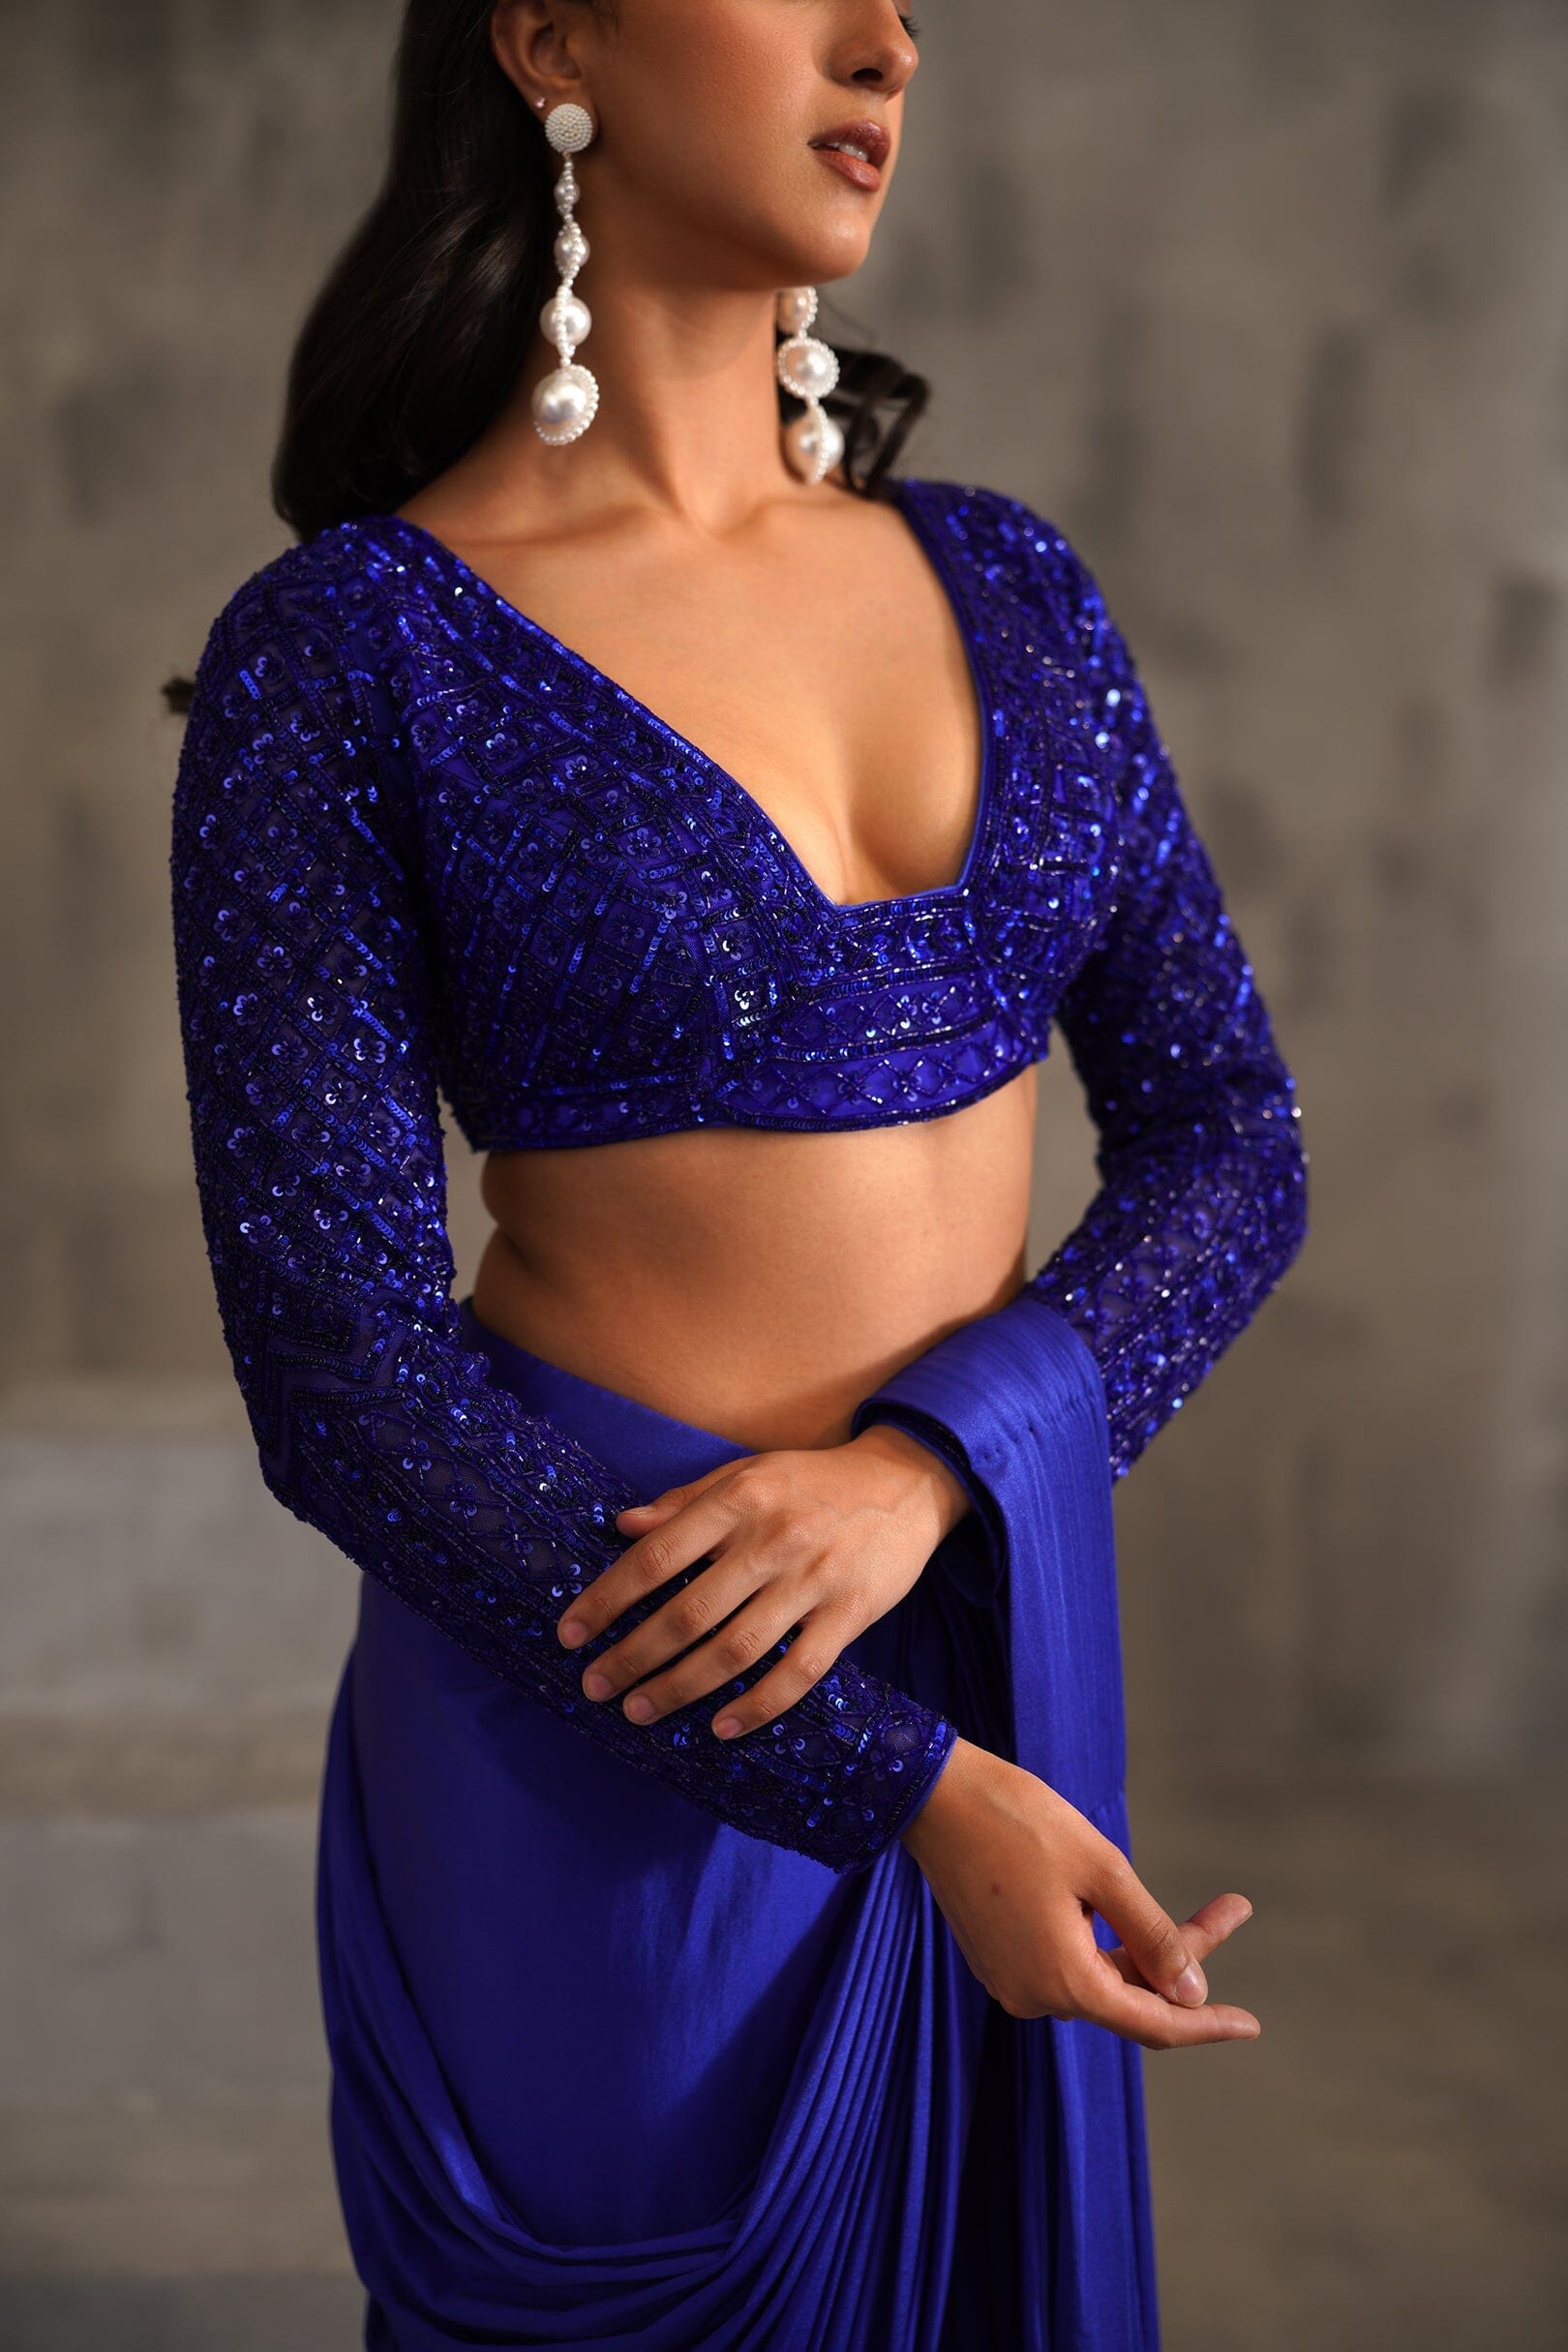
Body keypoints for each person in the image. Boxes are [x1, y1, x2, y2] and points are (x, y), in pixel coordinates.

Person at [166, 2, 1309, 2345]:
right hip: (601, 1693)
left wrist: (929, 1471)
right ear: (551, 36)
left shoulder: (1014, 589)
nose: (888, 38)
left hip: (971, 1622)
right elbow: (340, 1382)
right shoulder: (349, 654)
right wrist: (901, 1784)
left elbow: (1233, 1142)